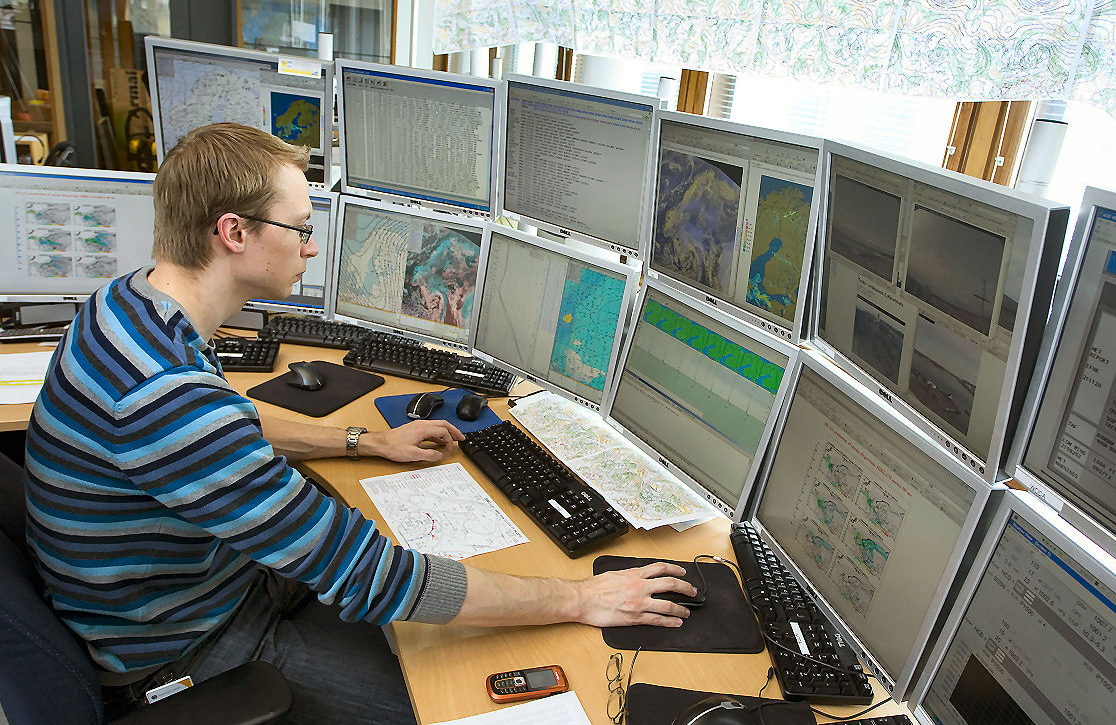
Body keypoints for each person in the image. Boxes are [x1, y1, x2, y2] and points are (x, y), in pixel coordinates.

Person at [23, 123, 695, 724]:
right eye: (299, 228)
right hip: (180, 649)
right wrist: (580, 598)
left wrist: (362, 440)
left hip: (198, 583)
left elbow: (229, 420)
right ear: (234, 233)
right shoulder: (165, 399)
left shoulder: (129, 304)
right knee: (457, 698)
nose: (312, 249)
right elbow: (373, 575)